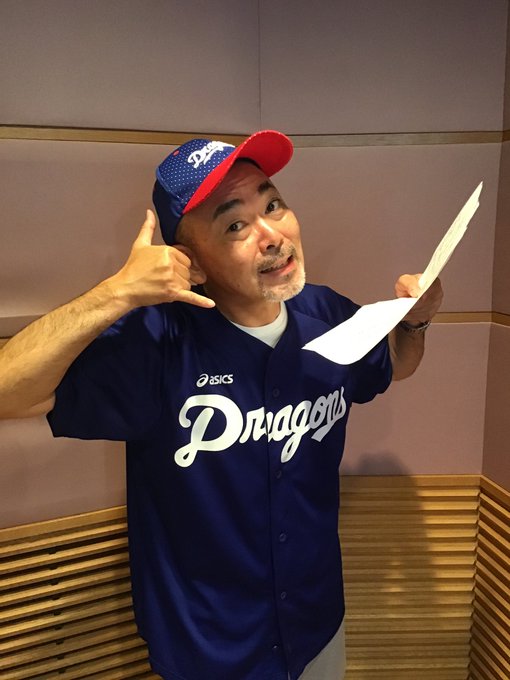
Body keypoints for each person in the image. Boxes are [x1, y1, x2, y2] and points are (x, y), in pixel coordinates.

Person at [0, 130, 443, 680]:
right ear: (191, 262)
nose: (272, 236)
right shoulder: (157, 341)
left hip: (315, 627)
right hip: (210, 649)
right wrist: (116, 293)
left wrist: (416, 322)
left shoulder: (326, 312)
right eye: (235, 225)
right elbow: (8, 391)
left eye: (273, 205)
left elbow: (392, 362)